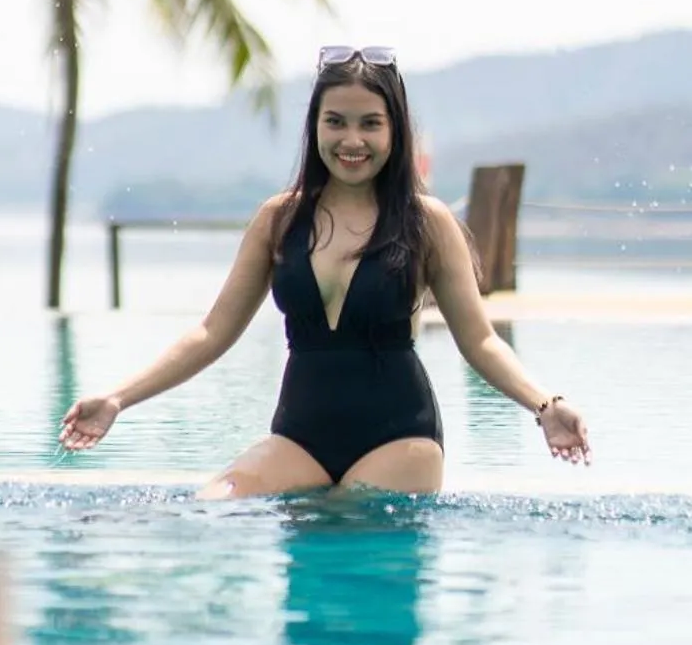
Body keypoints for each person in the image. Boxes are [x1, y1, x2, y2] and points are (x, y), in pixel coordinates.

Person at [59, 47, 590, 496]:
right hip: (299, 436)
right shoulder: (279, 219)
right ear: (315, 125)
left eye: (370, 124)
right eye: (335, 121)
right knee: (211, 505)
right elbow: (211, 332)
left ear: (395, 130)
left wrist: (545, 405)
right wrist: (118, 398)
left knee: (345, 526)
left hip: (400, 437)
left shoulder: (426, 222)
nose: (351, 140)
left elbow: (480, 340)